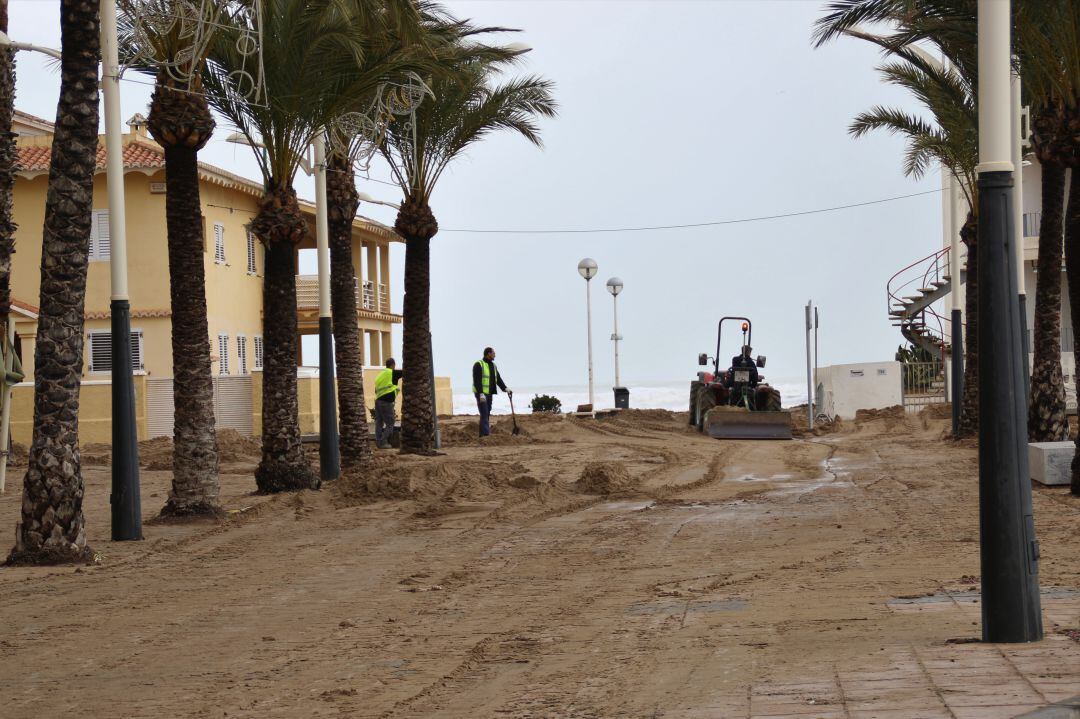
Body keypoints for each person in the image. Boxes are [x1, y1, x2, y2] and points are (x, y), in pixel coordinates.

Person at [473, 347, 511, 437]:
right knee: (484, 413)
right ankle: (486, 435)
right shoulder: (479, 364)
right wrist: (481, 393)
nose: (495, 355)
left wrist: (505, 388)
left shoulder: (493, 366)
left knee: (486, 413)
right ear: (488, 353)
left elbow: (498, 379)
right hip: (481, 394)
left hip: (489, 394)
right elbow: (477, 380)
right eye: (493, 353)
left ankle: (482, 435)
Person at [373, 358, 403, 449]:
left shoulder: (380, 375)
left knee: (379, 422)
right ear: (393, 365)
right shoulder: (392, 373)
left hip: (378, 401)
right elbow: (407, 372)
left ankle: (378, 442)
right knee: (390, 423)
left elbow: (376, 390)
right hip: (386, 402)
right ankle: (382, 442)